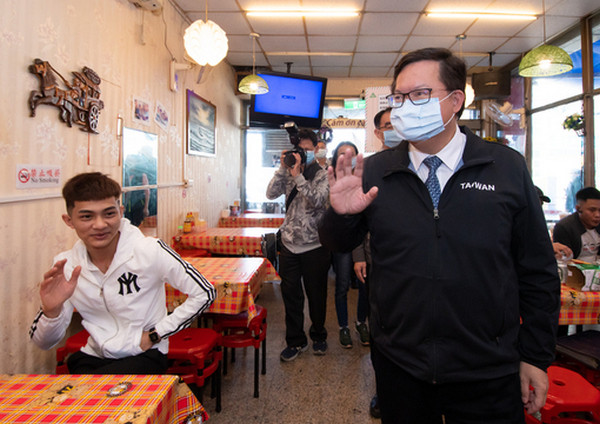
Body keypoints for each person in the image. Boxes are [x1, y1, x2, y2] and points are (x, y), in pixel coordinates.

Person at [319, 47, 560, 423]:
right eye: (399, 97)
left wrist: (535, 355)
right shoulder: (377, 171)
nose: (404, 106)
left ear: (455, 100)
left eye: (419, 95)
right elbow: (336, 245)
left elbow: (538, 270)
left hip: (488, 364)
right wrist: (338, 214)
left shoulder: (505, 168)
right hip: (401, 363)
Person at [29, 172, 216, 374]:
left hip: (145, 354)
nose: (100, 224)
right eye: (86, 216)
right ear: (69, 220)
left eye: (109, 213)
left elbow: (205, 292)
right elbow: (44, 343)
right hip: (94, 355)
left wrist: (156, 335)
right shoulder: (66, 265)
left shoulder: (149, 250)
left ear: (121, 211)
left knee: (98, 395)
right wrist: (51, 311)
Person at [266, 129, 331, 361]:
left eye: (306, 149)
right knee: (291, 296)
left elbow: (318, 200)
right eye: (298, 150)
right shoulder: (288, 171)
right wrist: (284, 169)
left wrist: (299, 177)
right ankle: (295, 341)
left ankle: (319, 335)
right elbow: (270, 193)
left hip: (315, 246)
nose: (302, 154)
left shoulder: (322, 174)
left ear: (315, 150)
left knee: (317, 295)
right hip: (289, 245)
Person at [330, 142, 369, 349]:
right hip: (343, 242)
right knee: (342, 285)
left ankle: (361, 322)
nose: (347, 158)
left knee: (365, 285)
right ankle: (343, 326)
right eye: (342, 155)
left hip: (364, 239)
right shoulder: (332, 181)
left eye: (352, 154)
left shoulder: (366, 177)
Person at [553, 186, 600, 263]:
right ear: (578, 209)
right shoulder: (564, 227)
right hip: (574, 270)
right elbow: (564, 259)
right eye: (592, 210)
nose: (597, 215)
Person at [535, 186, 573, 260]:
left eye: (541, 205)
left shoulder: (537, 224)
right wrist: (548, 247)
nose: (539, 209)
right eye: (536, 204)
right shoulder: (515, 223)